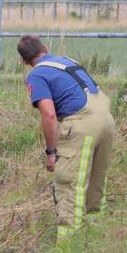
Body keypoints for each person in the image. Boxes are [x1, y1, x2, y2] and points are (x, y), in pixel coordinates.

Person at [16, 35, 116, 238]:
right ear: (45, 48)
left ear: (24, 62)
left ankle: (68, 246)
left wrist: (51, 152)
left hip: (82, 123)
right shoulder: (68, 60)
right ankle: (97, 234)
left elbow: (49, 114)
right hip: (106, 119)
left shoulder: (37, 74)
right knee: (97, 181)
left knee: (69, 184)